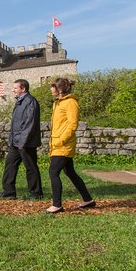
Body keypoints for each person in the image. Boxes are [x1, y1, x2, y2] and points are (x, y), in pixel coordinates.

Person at [44, 78, 95, 214]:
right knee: (70, 172)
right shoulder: (58, 103)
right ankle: (88, 199)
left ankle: (57, 205)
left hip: (63, 145)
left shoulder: (71, 102)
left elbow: (73, 124)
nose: (50, 89)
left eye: (52, 87)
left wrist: (61, 140)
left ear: (59, 89)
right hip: (57, 144)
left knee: (53, 172)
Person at [0, 79, 43, 200]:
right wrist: (13, 140)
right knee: (10, 165)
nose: (13, 90)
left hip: (26, 143)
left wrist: (23, 142)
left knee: (31, 167)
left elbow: (29, 124)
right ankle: (9, 192)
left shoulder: (30, 102)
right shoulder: (20, 102)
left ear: (23, 89)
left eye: (15, 88)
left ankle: (36, 193)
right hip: (15, 142)